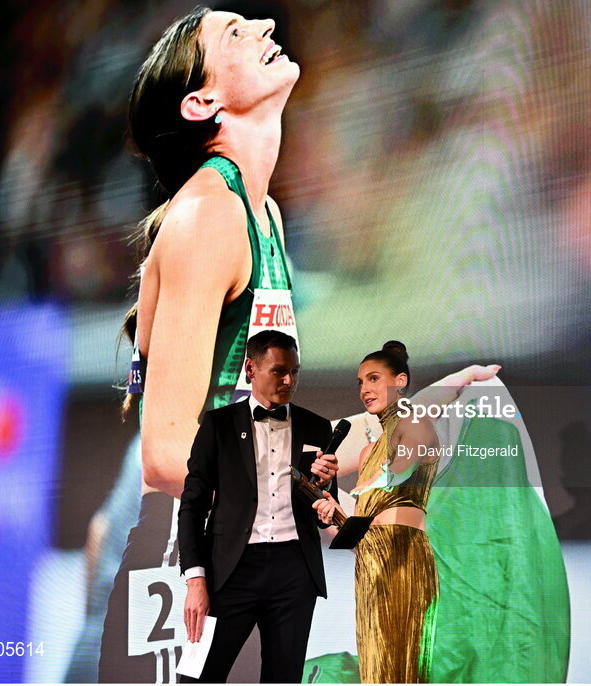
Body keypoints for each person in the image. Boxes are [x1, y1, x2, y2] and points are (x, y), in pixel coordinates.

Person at [99, 8, 338, 682]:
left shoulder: (264, 214)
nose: (265, 23)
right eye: (235, 32)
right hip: (186, 568)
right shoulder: (208, 216)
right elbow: (165, 454)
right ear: (201, 102)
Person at [177, 330, 336, 683]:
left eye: (294, 371)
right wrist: (195, 580)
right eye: (279, 371)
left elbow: (324, 512)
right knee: (196, 676)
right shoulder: (218, 425)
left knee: (283, 678)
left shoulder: (317, 427)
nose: (289, 380)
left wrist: (324, 488)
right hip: (229, 571)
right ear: (250, 368)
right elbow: (192, 506)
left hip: (295, 572)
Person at [312, 341, 441, 683]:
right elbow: (358, 532)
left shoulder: (416, 423)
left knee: (405, 662)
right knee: (375, 663)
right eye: (360, 382)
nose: (365, 390)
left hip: (404, 555)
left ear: (400, 381)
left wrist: (371, 482)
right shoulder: (367, 452)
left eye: (373, 378)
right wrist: (332, 512)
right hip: (369, 559)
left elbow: (402, 468)